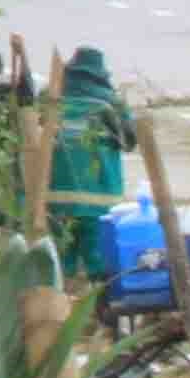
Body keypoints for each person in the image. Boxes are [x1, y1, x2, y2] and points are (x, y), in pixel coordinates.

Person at [42, 48, 135, 284]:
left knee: (62, 265)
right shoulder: (110, 103)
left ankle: (63, 312)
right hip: (99, 202)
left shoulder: (50, 97)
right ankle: (98, 311)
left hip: (56, 199)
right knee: (100, 266)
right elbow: (130, 141)